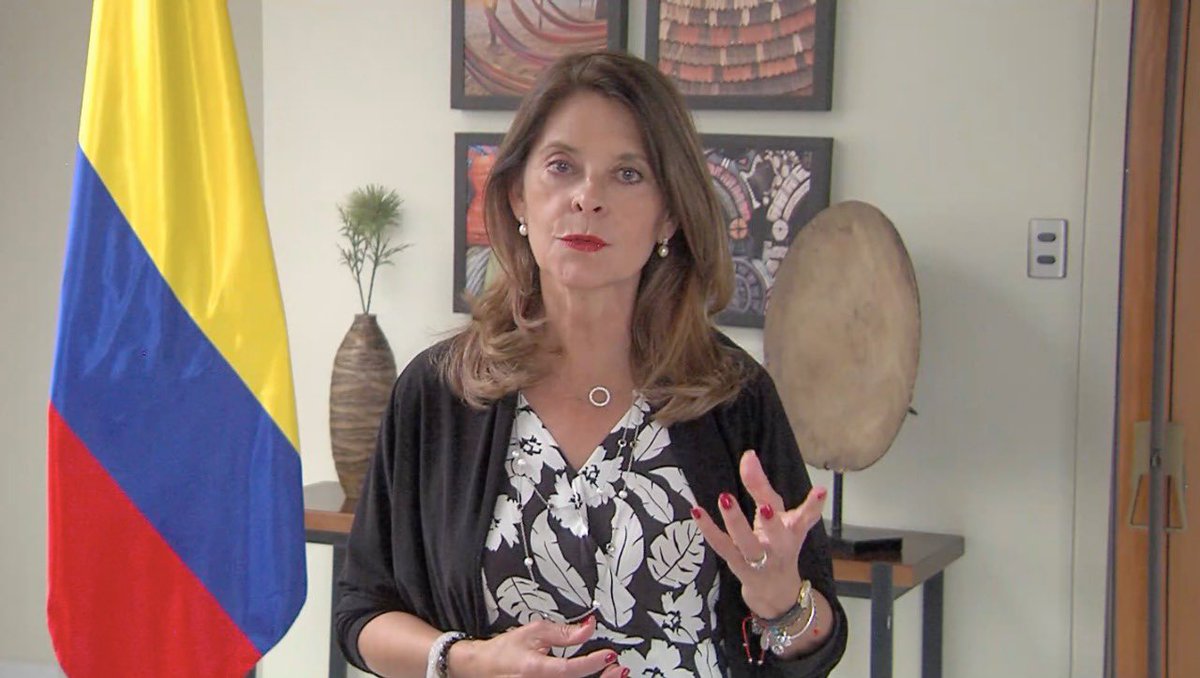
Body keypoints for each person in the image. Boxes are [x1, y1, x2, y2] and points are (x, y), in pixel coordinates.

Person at [335, 51, 847, 677]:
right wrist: (467, 660)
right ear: (518, 195)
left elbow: (818, 643)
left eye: (627, 174)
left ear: (668, 214)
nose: (587, 198)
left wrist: (783, 605)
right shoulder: (439, 391)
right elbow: (362, 612)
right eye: (561, 167)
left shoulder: (732, 395)